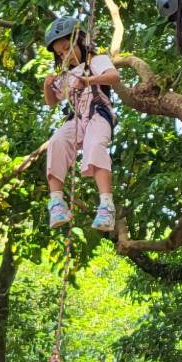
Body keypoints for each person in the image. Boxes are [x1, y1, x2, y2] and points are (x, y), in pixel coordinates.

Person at [42, 16, 121, 232]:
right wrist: (47, 87)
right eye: (60, 54)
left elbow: (114, 76)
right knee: (56, 142)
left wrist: (89, 80)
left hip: (98, 114)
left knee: (95, 146)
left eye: (68, 48)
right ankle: (56, 202)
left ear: (80, 42)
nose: (65, 55)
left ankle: (106, 206)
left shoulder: (95, 61)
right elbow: (51, 103)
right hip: (77, 119)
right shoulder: (66, 75)